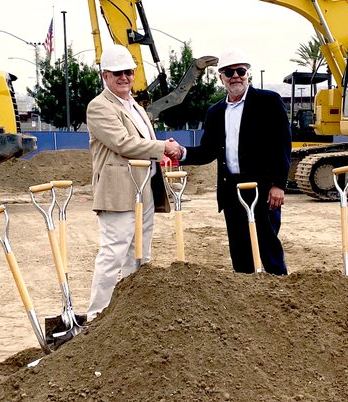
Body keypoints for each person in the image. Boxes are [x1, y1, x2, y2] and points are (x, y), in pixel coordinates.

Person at [86, 43, 183, 317]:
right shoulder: (99, 107)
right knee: (113, 254)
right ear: (105, 76)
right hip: (119, 192)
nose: (124, 78)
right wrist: (162, 147)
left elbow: (144, 141)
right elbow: (123, 143)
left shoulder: (136, 107)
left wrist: (161, 146)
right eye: (117, 73)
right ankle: (97, 314)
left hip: (145, 189)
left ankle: (128, 315)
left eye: (128, 72)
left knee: (140, 255)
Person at [179, 47, 292, 274]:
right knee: (240, 253)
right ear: (221, 77)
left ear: (247, 73)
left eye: (241, 71)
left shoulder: (268, 101)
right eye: (229, 73)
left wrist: (279, 184)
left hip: (262, 190)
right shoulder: (216, 111)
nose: (236, 76)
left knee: (268, 248)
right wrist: (181, 153)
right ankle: (245, 302)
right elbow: (207, 151)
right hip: (232, 193)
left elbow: (282, 144)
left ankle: (279, 299)